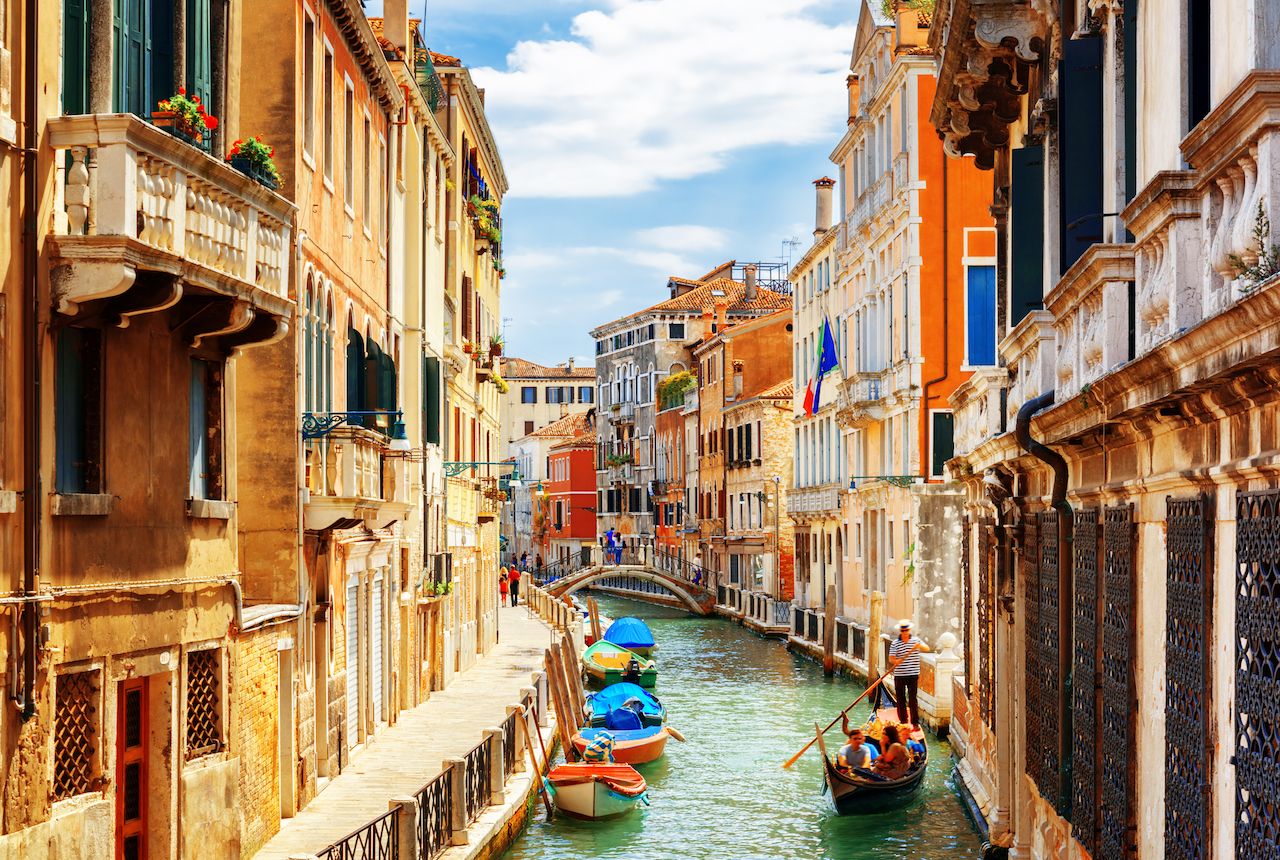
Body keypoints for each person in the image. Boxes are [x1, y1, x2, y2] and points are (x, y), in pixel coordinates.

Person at [888, 619, 930, 730]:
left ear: (909, 630)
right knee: (901, 699)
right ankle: (903, 722)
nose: (905, 632)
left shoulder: (916, 641)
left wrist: (918, 647)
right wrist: (896, 661)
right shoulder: (895, 643)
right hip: (900, 675)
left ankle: (915, 723)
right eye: (903, 630)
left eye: (906, 630)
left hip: (913, 674)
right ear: (900, 631)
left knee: (912, 699)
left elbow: (927, 648)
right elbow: (891, 658)